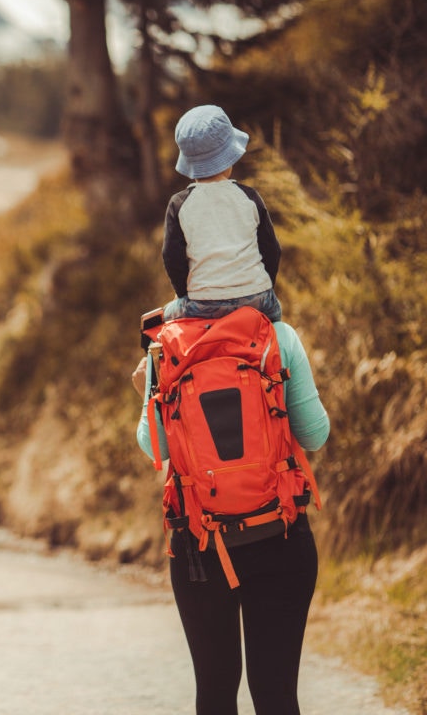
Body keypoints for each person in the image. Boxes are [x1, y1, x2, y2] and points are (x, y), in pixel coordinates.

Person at [132, 320, 330, 715]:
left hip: (200, 546)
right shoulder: (278, 335)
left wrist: (145, 392)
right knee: (277, 695)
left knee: (216, 692)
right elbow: (315, 434)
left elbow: (153, 447)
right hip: (281, 533)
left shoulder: (166, 343)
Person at [162, 104, 283, 323]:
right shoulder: (250, 197)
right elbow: (272, 249)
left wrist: (184, 295)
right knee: (279, 322)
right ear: (230, 158)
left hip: (203, 304)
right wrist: (260, 287)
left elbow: (172, 258)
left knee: (161, 320)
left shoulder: (179, 204)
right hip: (259, 299)